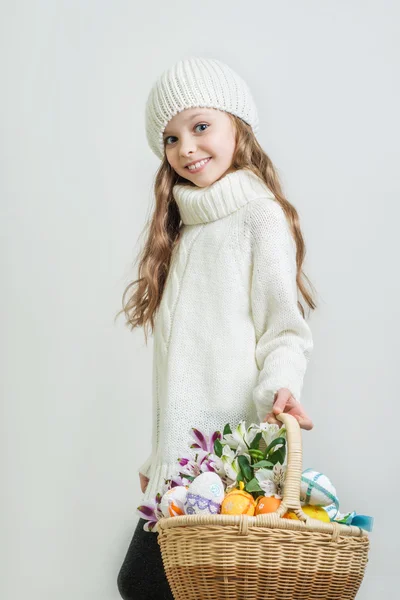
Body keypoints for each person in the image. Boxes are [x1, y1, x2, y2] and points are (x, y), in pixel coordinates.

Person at [116, 55, 317, 600]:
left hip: (232, 458)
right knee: (149, 584)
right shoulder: (181, 232)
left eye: (200, 126)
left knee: (153, 584)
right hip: (182, 465)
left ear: (238, 127)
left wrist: (282, 386)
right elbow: (184, 370)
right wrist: (157, 458)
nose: (187, 148)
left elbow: (285, 330)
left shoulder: (258, 216)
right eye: (171, 138)